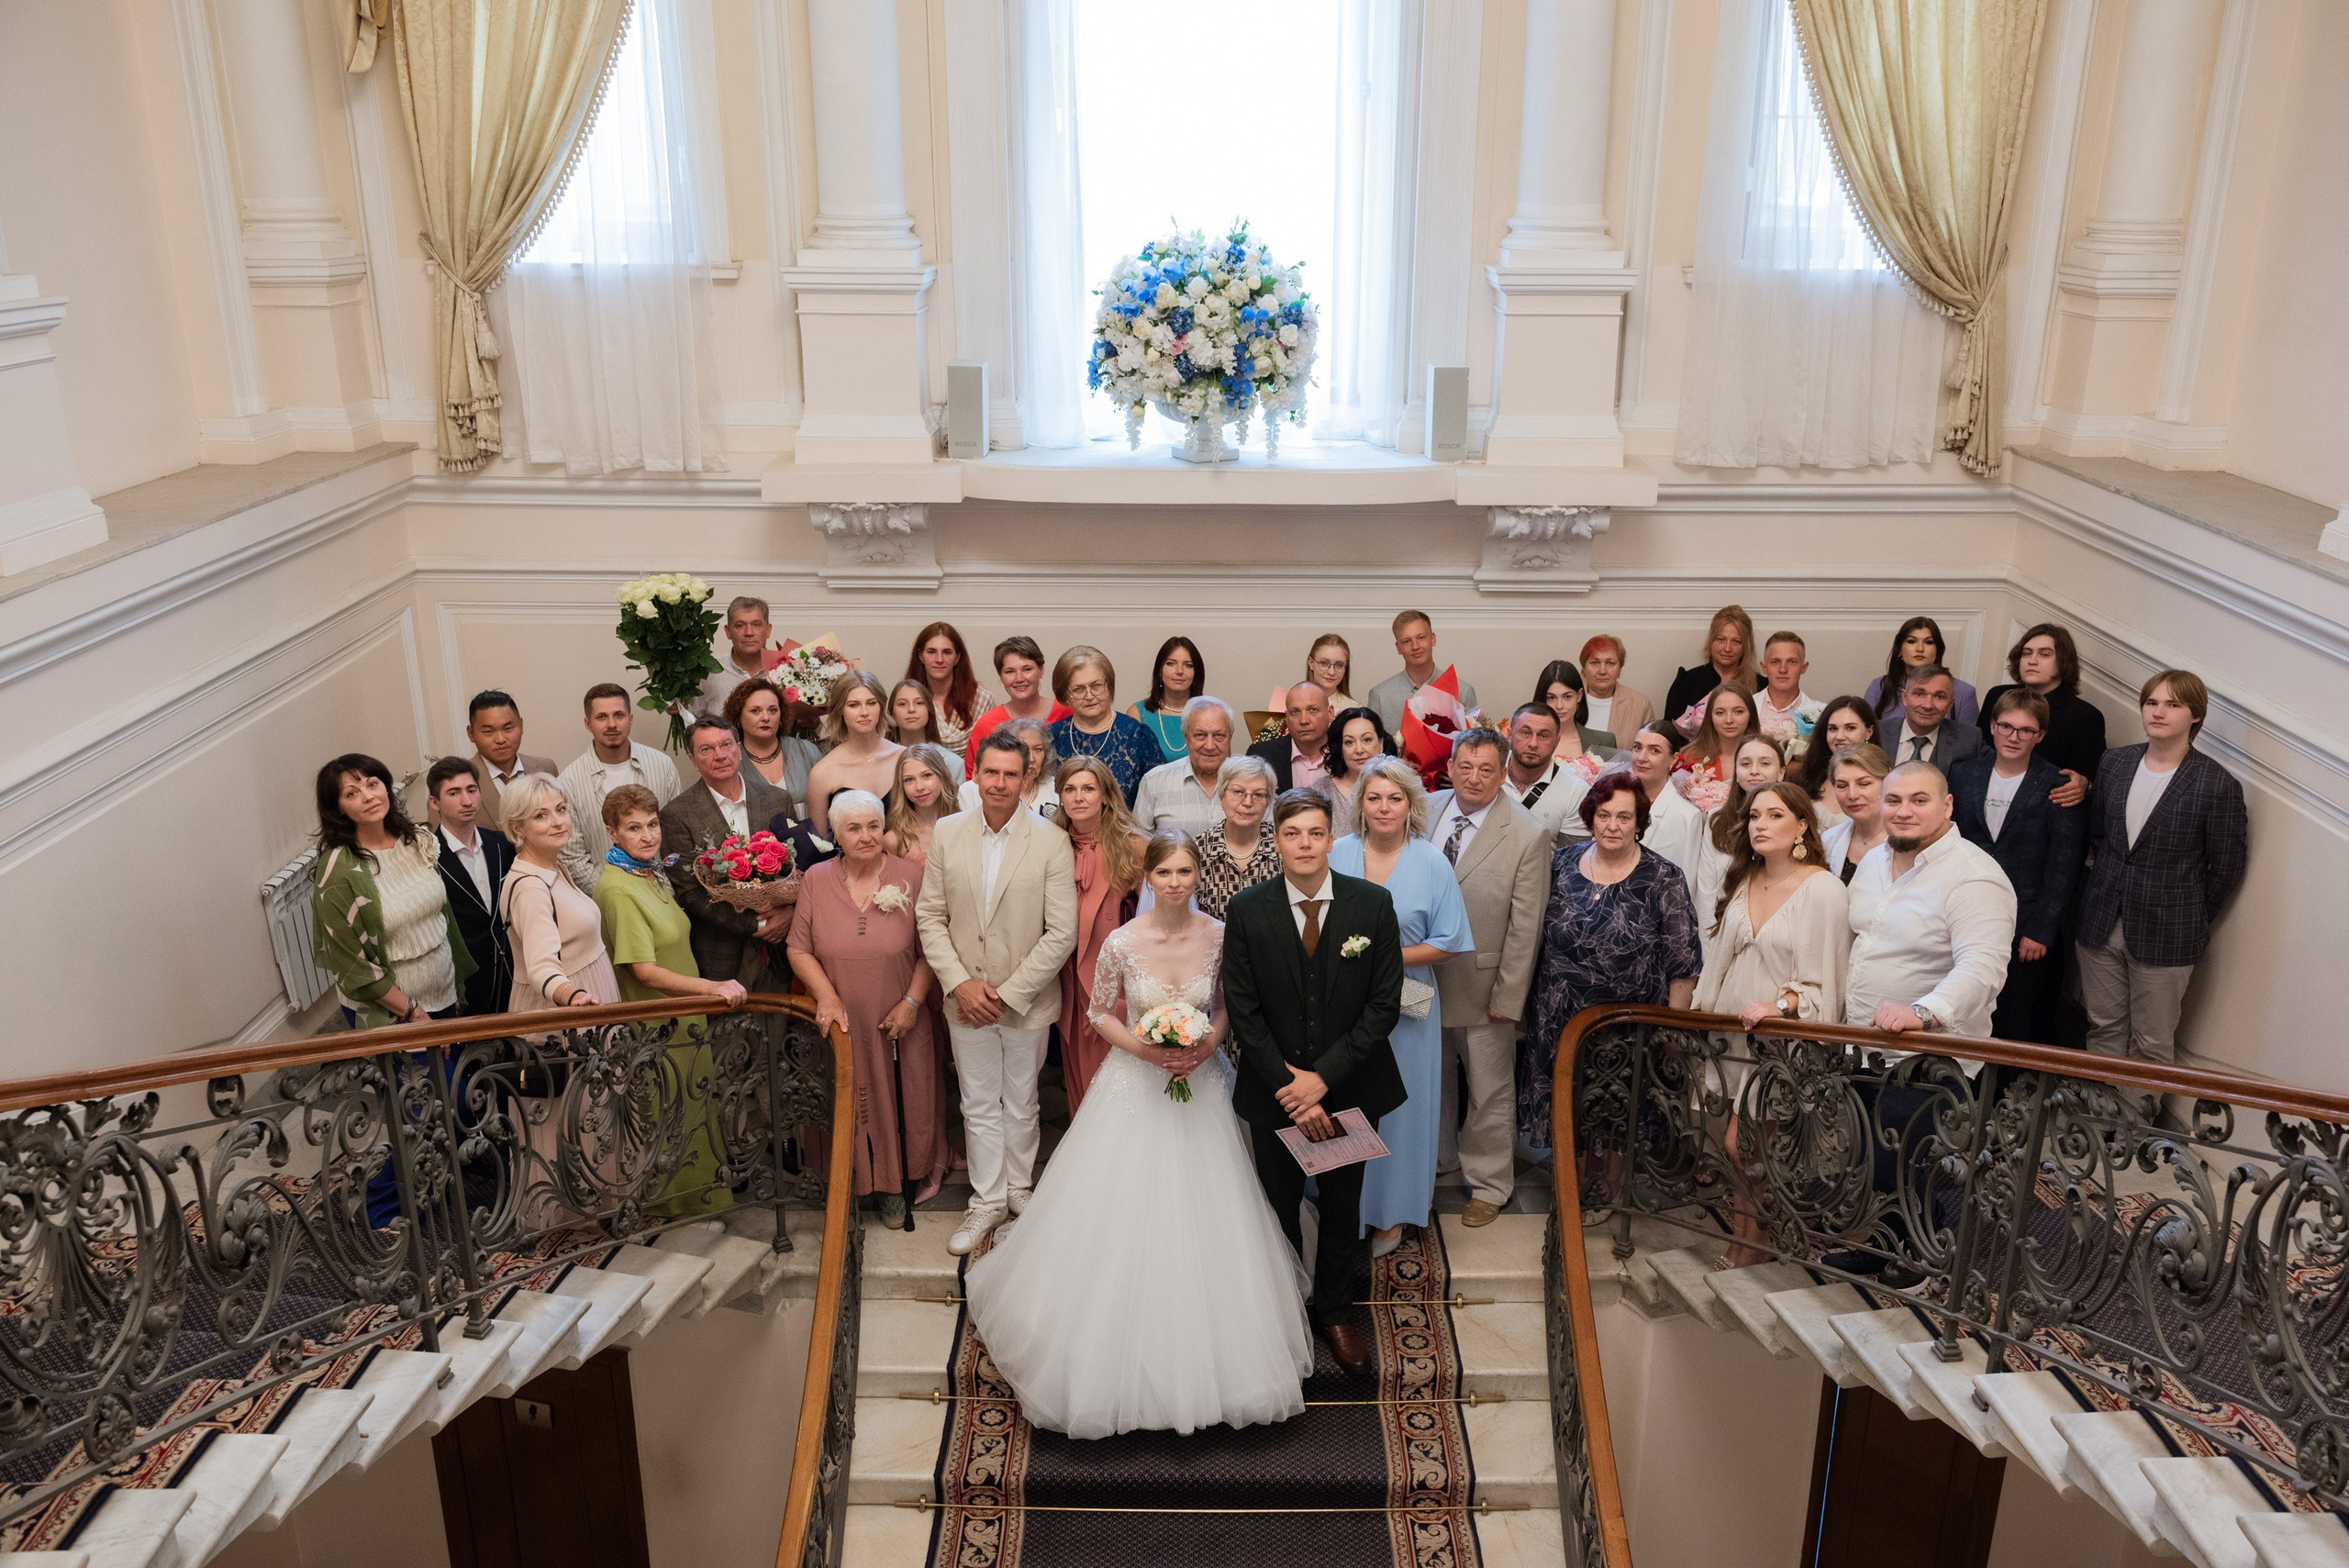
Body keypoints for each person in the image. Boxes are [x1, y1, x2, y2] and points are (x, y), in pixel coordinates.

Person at [967, 832, 1314, 1436]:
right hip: (1135, 1081)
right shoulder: (1122, 941)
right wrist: (1148, 1051)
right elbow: (1099, 1011)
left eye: (1185, 870)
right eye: (1166, 871)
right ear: (1148, 876)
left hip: (1202, 1083)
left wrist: (1207, 1040)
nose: (1176, 881)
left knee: (1214, 1211)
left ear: (1196, 874)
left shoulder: (1222, 935)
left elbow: (1233, 1004)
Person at [1222, 790, 1407, 1375]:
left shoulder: (1371, 905)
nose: (1304, 844)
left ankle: (1334, 1311)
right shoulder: (1248, 909)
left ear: (1333, 839)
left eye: (1316, 833)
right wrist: (1291, 1087)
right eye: (1293, 833)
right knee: (1275, 1205)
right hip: (1274, 1091)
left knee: (1341, 1204)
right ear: (1276, 841)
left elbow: (1383, 1007)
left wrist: (1322, 1080)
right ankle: (1278, 1311)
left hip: (1349, 1087)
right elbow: (1243, 1009)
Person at [916, 730, 1079, 1254]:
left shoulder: (1051, 839)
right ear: (976, 774)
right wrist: (961, 985)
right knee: (979, 1102)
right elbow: (929, 914)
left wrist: (1006, 995)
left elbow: (1061, 931)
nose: (1001, 783)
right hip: (964, 998)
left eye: (1012, 773)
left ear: (1027, 776)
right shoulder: (947, 832)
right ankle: (985, 1200)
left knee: (1023, 1101)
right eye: (992, 772)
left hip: (1023, 1001)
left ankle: (1019, 1191)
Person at [1693, 781, 1849, 1265]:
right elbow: (1720, 958)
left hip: (1781, 1041)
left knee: (1744, 1145)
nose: (1760, 824)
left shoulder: (1822, 888)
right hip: (1733, 1038)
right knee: (1744, 1149)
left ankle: (1754, 1244)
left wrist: (1778, 1006)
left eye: (1775, 815)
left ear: (1802, 825)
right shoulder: (1746, 879)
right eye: (1755, 815)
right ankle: (1749, 1239)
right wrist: (1700, 1015)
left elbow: (1827, 978)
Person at [1518, 774, 1704, 1159]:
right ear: (1591, 817)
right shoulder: (1562, 863)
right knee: (1567, 1110)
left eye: (1624, 817)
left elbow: (1683, 961)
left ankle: (1606, 1196)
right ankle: (1572, 1198)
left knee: (1616, 1120)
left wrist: (1672, 1028)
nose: (1613, 826)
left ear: (1639, 823)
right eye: (1604, 815)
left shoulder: (1663, 877)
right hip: (1558, 1016)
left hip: (1627, 1025)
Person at [787, 788, 948, 1228]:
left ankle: (896, 1187)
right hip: (838, 1017)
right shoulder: (816, 879)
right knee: (845, 1097)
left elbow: (931, 948)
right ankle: (851, 1184)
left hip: (898, 1015)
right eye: (853, 828)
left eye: (873, 825)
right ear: (836, 833)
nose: (865, 835)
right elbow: (798, 949)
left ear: (885, 828)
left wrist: (912, 1001)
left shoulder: (910, 877)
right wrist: (826, 995)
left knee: (902, 1097)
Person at [1333, 758, 1473, 1255]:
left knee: (1399, 1110)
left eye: (1395, 798)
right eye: (1374, 798)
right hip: (1343, 1005)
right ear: (1360, 804)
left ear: (1412, 805)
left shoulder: (1431, 861)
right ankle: (1343, 1208)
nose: (1384, 807)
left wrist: (1382, 958)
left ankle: (1391, 1214)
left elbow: (1450, 941)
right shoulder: (1337, 853)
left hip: (1407, 1007)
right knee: (1346, 1104)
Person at [2076, 670, 2248, 1064]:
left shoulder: (2217, 785)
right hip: (2100, 921)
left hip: (2169, 934)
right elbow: (2099, 835)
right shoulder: (2114, 763)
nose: (2158, 712)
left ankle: (2133, 1129)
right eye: (2151, 702)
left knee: (2151, 1043)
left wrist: (2189, 912)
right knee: (2104, 1028)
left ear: (2195, 716)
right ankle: (2097, 1126)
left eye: (2173, 704)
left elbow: (2225, 868)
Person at [591, 784, 745, 1217]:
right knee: (672, 1121)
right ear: (612, 833)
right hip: (658, 1024)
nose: (647, 836)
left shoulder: (649, 873)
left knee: (696, 1115)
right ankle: (681, 1213)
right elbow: (643, 970)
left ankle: (704, 1205)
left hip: (685, 1020)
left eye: (652, 824)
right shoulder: (619, 889)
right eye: (633, 828)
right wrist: (712, 987)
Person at [1425, 731, 1552, 1226]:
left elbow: (1527, 926)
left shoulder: (1526, 832)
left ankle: (1491, 1184)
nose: (1474, 777)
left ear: (1503, 775)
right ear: (1450, 767)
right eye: (1466, 766)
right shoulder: (1425, 809)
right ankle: (1438, 1159)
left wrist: (1510, 996)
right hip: (1421, 980)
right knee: (1431, 1081)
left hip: (1484, 986)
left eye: (1486, 769)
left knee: (1489, 1091)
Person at [1843, 761, 2017, 1040]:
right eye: (1892, 800)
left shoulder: (1975, 876)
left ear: (1947, 805)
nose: (1903, 812)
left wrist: (1923, 1013)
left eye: (1919, 800)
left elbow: (1982, 967)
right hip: (1857, 1049)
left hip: (1927, 1062)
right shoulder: (1873, 859)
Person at [1951, 690, 2087, 1043]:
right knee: (1963, 1006)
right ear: (1992, 727)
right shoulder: (1964, 775)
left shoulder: (2057, 784)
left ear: (2040, 735)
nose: (2014, 737)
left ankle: (2005, 1095)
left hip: (2025, 924)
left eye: (2026, 730)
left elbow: (2063, 862)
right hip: (1965, 912)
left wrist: (2041, 928)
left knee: (2014, 1019)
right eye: (2006, 726)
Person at [312, 753, 471, 1028]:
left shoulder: (416, 841)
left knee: (460, 1071)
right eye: (352, 793)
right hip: (393, 1013)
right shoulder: (338, 871)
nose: (368, 796)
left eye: (373, 784)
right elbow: (354, 966)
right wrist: (414, 1013)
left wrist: (453, 989)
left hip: (443, 992)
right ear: (337, 808)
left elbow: (442, 920)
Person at [658, 717, 796, 992]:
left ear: (739, 748)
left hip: (781, 950)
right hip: (719, 955)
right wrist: (759, 923)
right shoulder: (677, 815)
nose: (719, 756)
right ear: (693, 759)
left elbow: (798, 868)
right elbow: (691, 894)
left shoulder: (777, 800)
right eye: (706, 749)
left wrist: (789, 912)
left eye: (726, 745)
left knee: (784, 1031)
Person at [1052, 756, 1146, 1109]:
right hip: (1069, 983)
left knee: (1120, 1082)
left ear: (1105, 795)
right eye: (1070, 789)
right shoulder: (1053, 844)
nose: (1079, 797)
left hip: (1117, 984)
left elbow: (1155, 916)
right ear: (1060, 796)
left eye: (1088, 788)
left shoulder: (1134, 846)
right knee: (1082, 1078)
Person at [498, 774, 621, 1015]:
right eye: (541, 815)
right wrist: (573, 996)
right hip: (568, 1016)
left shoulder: (551, 867)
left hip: (588, 998)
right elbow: (541, 968)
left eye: (561, 809)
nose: (558, 822)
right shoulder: (531, 888)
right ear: (517, 827)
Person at [558, 683, 685, 890]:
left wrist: (665, 894)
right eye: (601, 717)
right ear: (587, 723)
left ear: (630, 719)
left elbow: (676, 837)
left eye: (619, 715)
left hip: (665, 895)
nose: (611, 724)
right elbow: (573, 858)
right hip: (608, 901)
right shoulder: (568, 782)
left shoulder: (662, 765)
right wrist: (616, 897)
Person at [1979, 623, 2105, 806]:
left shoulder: (2085, 716)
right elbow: (1979, 751)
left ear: (2063, 662)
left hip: (2044, 808)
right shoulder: (1997, 696)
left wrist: (2085, 784)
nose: (2032, 661)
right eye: (2026, 653)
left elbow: (2087, 780)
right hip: (1989, 796)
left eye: (2044, 654)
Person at [428, 757, 513, 1017]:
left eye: (472, 790)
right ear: (435, 802)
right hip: (466, 980)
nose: (467, 801)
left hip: (512, 969)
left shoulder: (502, 844)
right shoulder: (428, 857)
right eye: (454, 793)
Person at [1049, 645, 1167, 804]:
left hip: (1126, 828)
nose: (1089, 696)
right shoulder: (1052, 738)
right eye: (1078, 689)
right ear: (1065, 695)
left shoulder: (1137, 737)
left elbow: (1161, 798)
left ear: (1109, 686)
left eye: (1096, 686)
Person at [802, 671, 905, 839]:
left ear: (881, 706)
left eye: (871, 703)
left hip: (905, 860)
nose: (864, 712)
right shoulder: (823, 772)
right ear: (840, 709)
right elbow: (820, 845)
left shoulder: (903, 758)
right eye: (854, 705)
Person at [1192, 756, 1282, 919]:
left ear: (1268, 802)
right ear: (1222, 797)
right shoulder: (1197, 850)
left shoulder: (1283, 845)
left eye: (1258, 795)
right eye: (1238, 792)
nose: (1248, 802)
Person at [1132, 696, 1237, 837]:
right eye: (1200, 735)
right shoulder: (1154, 783)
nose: (1210, 746)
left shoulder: (1252, 781)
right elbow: (1137, 847)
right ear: (1186, 737)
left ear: (1230, 737)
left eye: (1219, 736)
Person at [963, 636, 1070, 769]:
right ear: (1001, 677)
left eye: (1027, 669)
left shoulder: (1067, 713)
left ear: (1041, 670)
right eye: (1010, 671)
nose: (1019, 678)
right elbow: (974, 780)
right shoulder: (987, 725)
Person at [1499, 703, 1596, 845]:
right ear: (1510, 735)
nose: (1533, 743)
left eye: (1543, 736)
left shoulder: (1575, 790)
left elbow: (1568, 860)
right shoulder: (1484, 773)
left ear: (1556, 742)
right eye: (1525, 733)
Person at [459, 690, 557, 828]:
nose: (500, 739)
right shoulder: (456, 782)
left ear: (521, 725)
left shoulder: (546, 768)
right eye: (488, 732)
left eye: (508, 728)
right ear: (471, 733)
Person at [1368, 610, 1478, 733]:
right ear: (1398, 648)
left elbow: (1476, 742)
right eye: (1406, 641)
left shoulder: (1463, 691)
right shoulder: (1380, 696)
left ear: (1433, 639)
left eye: (1421, 638)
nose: (1415, 646)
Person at [726, 675, 822, 811]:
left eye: (773, 710)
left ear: (781, 715)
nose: (765, 717)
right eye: (755, 711)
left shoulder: (807, 751)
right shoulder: (729, 760)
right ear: (738, 717)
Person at [1865, 616, 1980, 728]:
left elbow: (1967, 743)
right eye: (1911, 641)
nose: (1920, 649)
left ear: (1938, 650)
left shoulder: (1964, 692)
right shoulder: (1879, 686)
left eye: (1928, 642)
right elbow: (1864, 736)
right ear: (1900, 649)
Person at [1628, 722, 1708, 884]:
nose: (1642, 758)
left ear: (1673, 759)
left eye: (1654, 751)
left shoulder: (1687, 816)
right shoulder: (1614, 802)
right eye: (1637, 747)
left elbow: (1687, 881)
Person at [906, 621, 996, 756]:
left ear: (957, 657)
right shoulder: (906, 699)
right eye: (932, 652)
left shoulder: (981, 699)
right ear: (920, 655)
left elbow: (991, 752)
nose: (939, 659)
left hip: (972, 775)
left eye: (947, 652)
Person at [1664, 606, 1756, 737]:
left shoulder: (1761, 686)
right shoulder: (1687, 682)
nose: (1727, 648)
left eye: (1736, 641)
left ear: (1745, 646)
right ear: (1711, 641)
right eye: (1721, 640)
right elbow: (1668, 734)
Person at [1791, 695, 1881, 821]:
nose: (1839, 736)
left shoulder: (1885, 781)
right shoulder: (1805, 779)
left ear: (1869, 732)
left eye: (1850, 728)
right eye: (1833, 729)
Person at [1876, 664, 1983, 770]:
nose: (1928, 705)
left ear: (1950, 704)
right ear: (1905, 697)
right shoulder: (1876, 733)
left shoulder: (1969, 741)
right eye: (1919, 694)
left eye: (1939, 697)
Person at [956, 715, 1060, 820]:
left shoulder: (1056, 788)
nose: (1032, 758)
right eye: (1024, 749)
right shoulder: (970, 792)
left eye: (1037, 750)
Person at [1675, 685, 1761, 813]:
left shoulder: (1766, 755)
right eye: (1720, 713)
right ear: (1710, 716)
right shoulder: (1691, 756)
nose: (1729, 720)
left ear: (1751, 715)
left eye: (1738, 711)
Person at [695, 596, 782, 720]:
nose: (749, 632)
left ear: (768, 630)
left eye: (756, 625)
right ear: (728, 632)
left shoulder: (788, 670)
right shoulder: (708, 672)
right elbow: (691, 723)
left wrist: (811, 721)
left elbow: (804, 725)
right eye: (740, 625)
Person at [1321, 705, 1397, 840]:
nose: (1359, 749)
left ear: (1381, 744)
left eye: (1367, 740)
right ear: (1341, 749)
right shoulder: (1319, 792)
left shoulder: (1402, 788)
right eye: (1349, 742)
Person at [1820, 743, 1893, 882]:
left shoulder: (1907, 842)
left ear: (1887, 783)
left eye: (1863, 784)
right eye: (1842, 786)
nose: (1852, 795)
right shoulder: (1829, 839)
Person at [1247, 681, 1335, 795]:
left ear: (1330, 713)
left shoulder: (1346, 754)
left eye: (1313, 710)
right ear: (1287, 717)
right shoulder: (1262, 755)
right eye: (1295, 712)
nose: (1304, 720)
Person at [1130, 635, 1206, 759]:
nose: (1180, 671)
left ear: (1196, 673)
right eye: (1171, 664)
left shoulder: (1210, 713)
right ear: (1160, 670)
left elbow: (1224, 770)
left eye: (1188, 665)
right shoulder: (1139, 713)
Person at [884, 743, 958, 865]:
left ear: (942, 776)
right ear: (901, 786)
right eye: (909, 780)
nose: (919, 787)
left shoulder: (964, 825)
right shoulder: (893, 840)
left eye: (927, 776)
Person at [1529, 660, 1620, 758]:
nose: (1559, 706)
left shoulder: (1605, 742)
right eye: (1552, 698)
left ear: (1579, 695)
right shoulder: (1526, 741)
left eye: (1567, 697)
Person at [1754, 632, 1826, 750]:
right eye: (1775, 662)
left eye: (1792, 662)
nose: (1783, 669)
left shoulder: (1818, 716)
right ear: (1764, 667)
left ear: (1804, 667)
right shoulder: (1747, 705)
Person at [1578, 634, 1655, 742]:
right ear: (1584, 668)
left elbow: (1648, 750)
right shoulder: (1567, 698)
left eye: (1610, 663)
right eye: (1595, 663)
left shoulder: (1640, 704)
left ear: (1620, 669)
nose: (1602, 671)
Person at [885, 680, 965, 781]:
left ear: (929, 710)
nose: (911, 709)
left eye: (919, 703)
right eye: (902, 704)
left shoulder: (953, 763)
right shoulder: (879, 760)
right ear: (892, 713)